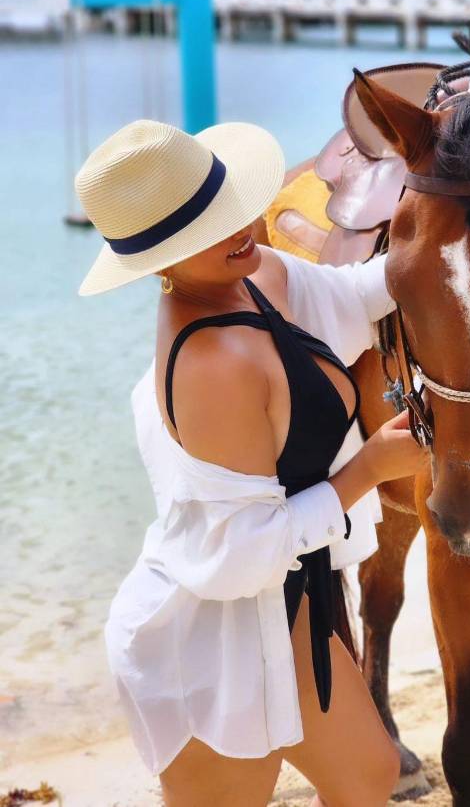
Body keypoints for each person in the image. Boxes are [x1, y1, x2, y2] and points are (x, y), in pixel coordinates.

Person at [75, 118, 426, 807]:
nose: (236, 229)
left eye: (228, 206)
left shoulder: (254, 271)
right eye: (198, 231)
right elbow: (236, 556)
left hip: (287, 604)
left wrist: (456, 231)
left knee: (368, 776)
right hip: (207, 636)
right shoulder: (210, 363)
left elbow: (352, 298)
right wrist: (370, 470)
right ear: (157, 262)